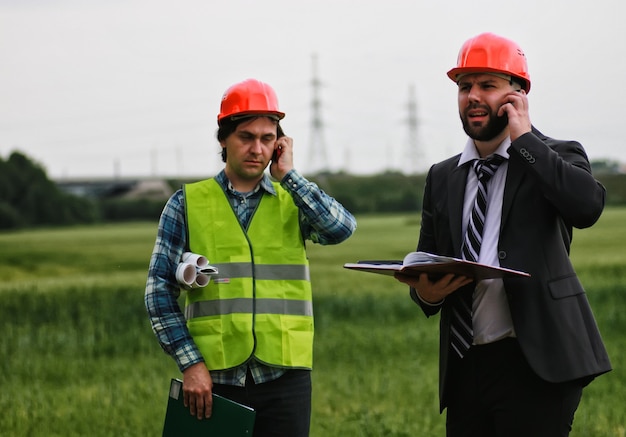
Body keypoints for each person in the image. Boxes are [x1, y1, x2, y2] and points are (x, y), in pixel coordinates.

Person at [394, 33, 611, 437]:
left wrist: (524, 139)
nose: (473, 96)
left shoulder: (555, 154)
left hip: (537, 362)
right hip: (465, 366)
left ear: (517, 95)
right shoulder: (442, 176)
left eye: (487, 85)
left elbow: (587, 208)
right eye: (464, 87)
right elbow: (425, 262)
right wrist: (427, 293)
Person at [145, 78, 356, 437]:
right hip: (213, 380)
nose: (257, 148)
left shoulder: (294, 199)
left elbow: (341, 229)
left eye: (267, 138)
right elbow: (158, 293)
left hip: (284, 380)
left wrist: (289, 176)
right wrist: (190, 364)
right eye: (246, 136)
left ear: (279, 144)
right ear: (223, 139)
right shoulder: (186, 203)